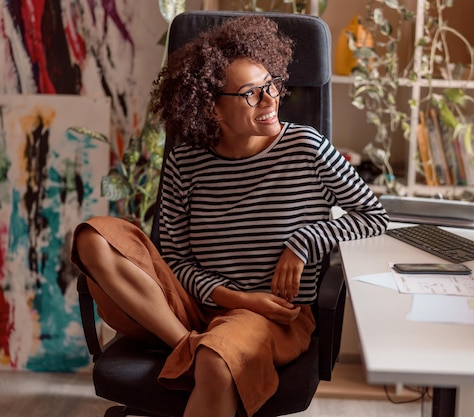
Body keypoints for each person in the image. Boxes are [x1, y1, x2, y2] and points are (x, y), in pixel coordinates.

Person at [71, 15, 389, 417]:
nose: (271, 99)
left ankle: (199, 349)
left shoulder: (307, 148)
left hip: (269, 315)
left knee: (216, 363)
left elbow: (373, 216)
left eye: (271, 85)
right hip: (189, 308)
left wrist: (304, 241)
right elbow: (176, 261)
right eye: (251, 94)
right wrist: (231, 295)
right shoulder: (186, 161)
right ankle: (187, 343)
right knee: (93, 237)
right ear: (212, 107)